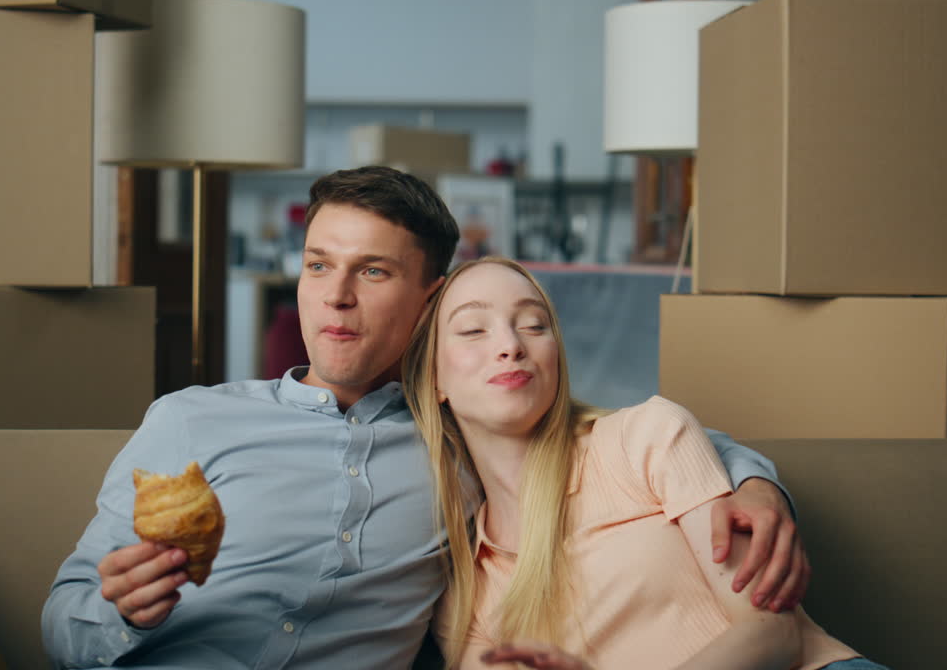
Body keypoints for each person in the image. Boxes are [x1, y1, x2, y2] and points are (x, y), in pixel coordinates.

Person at [42, 167, 807, 670]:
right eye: (317, 265)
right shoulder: (189, 422)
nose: (334, 295)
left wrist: (755, 483)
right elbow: (63, 622)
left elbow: (617, 436)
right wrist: (123, 616)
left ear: (431, 302)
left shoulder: (460, 440)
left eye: (371, 271)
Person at [401, 257, 888, 670]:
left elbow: (776, 634)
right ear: (436, 379)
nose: (511, 345)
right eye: (472, 330)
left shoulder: (645, 437)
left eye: (534, 324)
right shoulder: (467, 593)